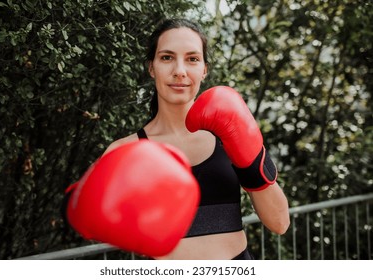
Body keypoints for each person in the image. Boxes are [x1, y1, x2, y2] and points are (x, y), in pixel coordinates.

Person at [65, 18, 290, 260]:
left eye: (192, 59)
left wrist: (253, 161)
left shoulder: (227, 133)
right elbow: (90, 221)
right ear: (151, 67)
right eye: (167, 57)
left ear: (204, 69)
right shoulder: (126, 150)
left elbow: (279, 223)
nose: (180, 71)